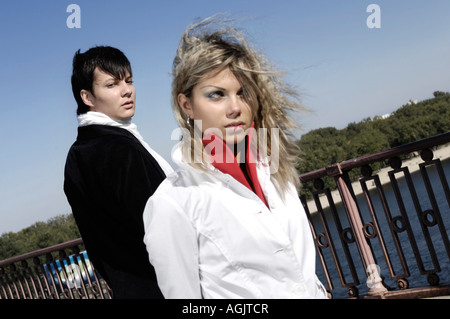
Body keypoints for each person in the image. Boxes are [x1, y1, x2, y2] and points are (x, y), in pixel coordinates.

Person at [142, 17, 328, 299]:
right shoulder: (173, 202)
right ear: (187, 105)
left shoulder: (276, 169)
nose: (235, 107)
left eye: (243, 93)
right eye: (217, 95)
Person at [64, 46, 173, 299]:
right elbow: (164, 230)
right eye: (112, 84)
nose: (127, 91)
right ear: (88, 97)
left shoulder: (78, 154)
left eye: (129, 81)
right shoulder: (117, 149)